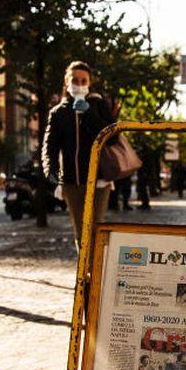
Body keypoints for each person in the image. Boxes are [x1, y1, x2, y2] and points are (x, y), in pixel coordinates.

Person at [42, 61, 116, 247]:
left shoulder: (99, 105)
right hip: (71, 182)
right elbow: (50, 146)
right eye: (75, 80)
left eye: (84, 80)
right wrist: (50, 171)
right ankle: (85, 274)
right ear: (67, 82)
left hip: (99, 180)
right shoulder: (58, 113)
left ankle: (96, 272)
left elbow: (112, 138)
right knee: (81, 231)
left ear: (89, 83)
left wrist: (88, 113)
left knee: (96, 227)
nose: (79, 84)